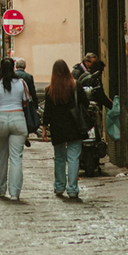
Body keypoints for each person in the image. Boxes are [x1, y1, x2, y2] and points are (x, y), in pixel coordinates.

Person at [43, 59, 90, 199]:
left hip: (57, 127)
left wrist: (45, 128)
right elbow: (85, 104)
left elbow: (48, 111)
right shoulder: (76, 86)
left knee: (59, 157)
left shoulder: (50, 89)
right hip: (74, 126)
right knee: (73, 158)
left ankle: (59, 186)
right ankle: (73, 189)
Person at [0, 58, 31, 200]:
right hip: (18, 118)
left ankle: (1, 188)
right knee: (16, 158)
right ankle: (15, 193)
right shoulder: (21, 83)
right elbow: (26, 100)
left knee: (1, 156)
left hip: (1, 119)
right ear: (14, 67)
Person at [15, 58, 40, 137]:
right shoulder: (29, 76)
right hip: (26, 101)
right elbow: (32, 91)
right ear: (25, 66)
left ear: (16, 66)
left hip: (16, 100)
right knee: (26, 116)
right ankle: (25, 132)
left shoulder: (13, 75)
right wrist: (35, 104)